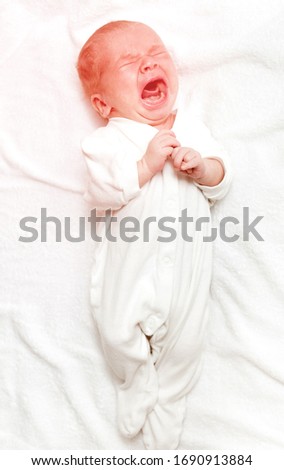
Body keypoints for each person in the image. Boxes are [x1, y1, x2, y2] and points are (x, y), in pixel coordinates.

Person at [77, 20, 232, 449]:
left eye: (156, 53)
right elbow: (99, 194)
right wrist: (145, 165)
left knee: (187, 345)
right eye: (129, 62)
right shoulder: (106, 143)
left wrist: (203, 168)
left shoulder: (191, 130)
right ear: (104, 104)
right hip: (131, 264)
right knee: (116, 329)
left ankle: (168, 405)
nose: (148, 62)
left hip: (186, 270)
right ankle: (134, 378)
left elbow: (221, 180)